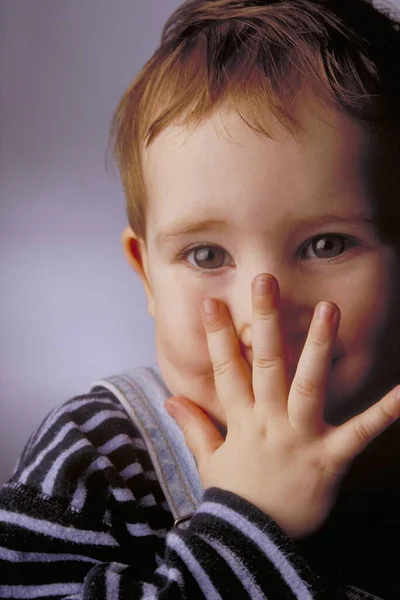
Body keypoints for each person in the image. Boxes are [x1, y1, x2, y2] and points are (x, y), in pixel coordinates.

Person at [1, 0, 400, 597]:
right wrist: (246, 522)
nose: (258, 310)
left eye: (325, 244)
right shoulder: (97, 461)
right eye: (207, 255)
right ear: (146, 278)